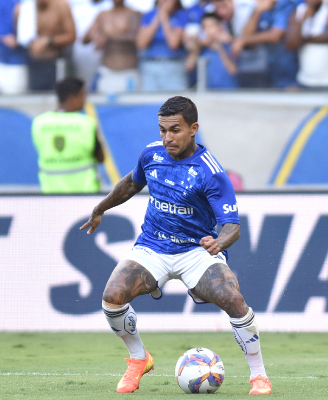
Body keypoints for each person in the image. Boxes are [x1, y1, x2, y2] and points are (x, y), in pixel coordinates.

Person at [80, 96, 272, 395]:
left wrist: (218, 242)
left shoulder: (211, 172)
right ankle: (138, 359)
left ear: (193, 128)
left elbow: (232, 227)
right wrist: (100, 208)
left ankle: (258, 375)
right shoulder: (151, 155)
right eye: (163, 130)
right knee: (111, 297)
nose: (168, 137)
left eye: (175, 130)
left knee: (233, 299)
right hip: (153, 246)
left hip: (196, 251)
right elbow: (132, 183)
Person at [32, 77, 104, 193]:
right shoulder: (85, 123)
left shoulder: (39, 123)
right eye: (83, 94)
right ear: (72, 98)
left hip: (50, 192)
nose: (85, 99)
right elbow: (100, 157)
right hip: (85, 192)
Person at [231, 0, 299, 89]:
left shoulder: (287, 5)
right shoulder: (262, 10)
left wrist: (243, 40)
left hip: (289, 72)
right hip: (268, 70)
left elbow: (275, 35)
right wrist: (257, 11)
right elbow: (247, 35)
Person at [17, 0, 76, 91]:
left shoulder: (61, 5)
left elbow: (72, 36)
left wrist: (48, 41)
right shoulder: (25, 8)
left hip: (56, 62)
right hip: (34, 65)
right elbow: (20, 37)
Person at [84, 0, 141, 93]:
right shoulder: (102, 15)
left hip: (128, 71)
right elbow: (84, 39)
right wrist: (96, 35)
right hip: (107, 71)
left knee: (130, 105)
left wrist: (109, 38)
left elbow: (136, 38)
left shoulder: (134, 14)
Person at [285, 0, 328, 90]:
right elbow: (291, 44)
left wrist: (303, 40)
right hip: (305, 79)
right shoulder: (300, 11)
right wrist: (303, 20)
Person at [136, 0, 189, 91]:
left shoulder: (181, 14)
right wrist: (157, 17)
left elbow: (173, 44)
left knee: (175, 103)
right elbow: (141, 44)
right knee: (150, 102)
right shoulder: (149, 15)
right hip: (150, 66)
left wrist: (164, 19)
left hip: (173, 66)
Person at [186, 11, 238, 89]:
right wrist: (198, 47)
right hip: (208, 92)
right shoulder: (201, 47)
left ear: (220, 26)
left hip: (229, 90)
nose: (208, 30)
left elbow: (233, 71)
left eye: (211, 26)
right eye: (205, 27)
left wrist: (220, 49)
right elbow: (188, 67)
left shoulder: (229, 45)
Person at [68, 0, 112, 91]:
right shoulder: (76, 4)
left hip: (103, 59)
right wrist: (93, 34)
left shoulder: (110, 6)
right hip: (76, 59)